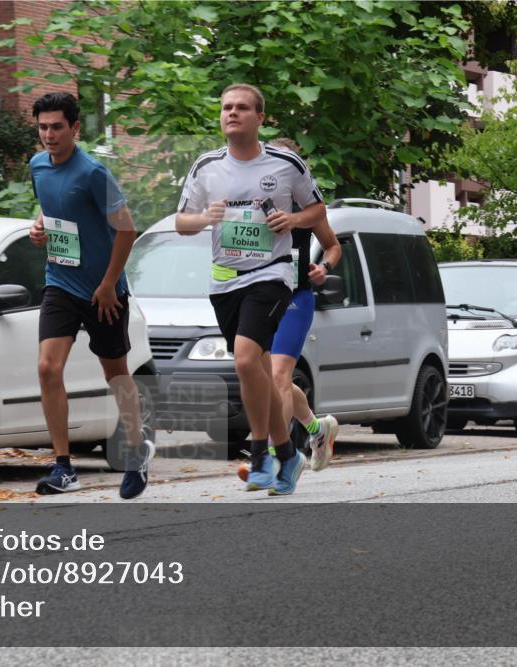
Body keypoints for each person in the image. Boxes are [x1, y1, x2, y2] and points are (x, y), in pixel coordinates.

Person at [175, 84, 325, 495]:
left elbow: (317, 210)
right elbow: (181, 223)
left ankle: (260, 454)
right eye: (226, 107)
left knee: (244, 360)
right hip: (225, 281)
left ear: (260, 117)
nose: (232, 113)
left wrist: (292, 222)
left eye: (242, 108)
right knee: (255, 369)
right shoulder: (206, 166)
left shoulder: (285, 163)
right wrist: (207, 217)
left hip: (272, 274)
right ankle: (287, 453)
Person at [28, 92, 154, 499]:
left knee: (115, 374)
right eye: (43, 127)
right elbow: (51, 209)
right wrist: (38, 227)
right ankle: (64, 467)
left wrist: (106, 284)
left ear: (75, 128)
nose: (49, 135)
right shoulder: (37, 167)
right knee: (48, 367)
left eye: (57, 127)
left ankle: (137, 452)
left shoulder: (93, 173)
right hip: (61, 282)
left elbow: (126, 229)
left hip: (104, 293)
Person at [266, 138, 340, 473]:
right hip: (260, 298)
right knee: (271, 379)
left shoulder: (306, 206)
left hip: (296, 297)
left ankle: (274, 459)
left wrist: (323, 268)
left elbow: (333, 246)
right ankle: (317, 429)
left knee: (279, 376)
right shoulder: (257, 202)